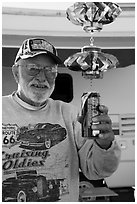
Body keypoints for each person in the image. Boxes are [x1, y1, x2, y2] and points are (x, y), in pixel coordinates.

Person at [2, 38, 121, 202]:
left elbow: (98, 171)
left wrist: (105, 144)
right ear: (16, 73)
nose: (42, 77)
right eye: (33, 69)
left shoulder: (70, 114)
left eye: (50, 70)